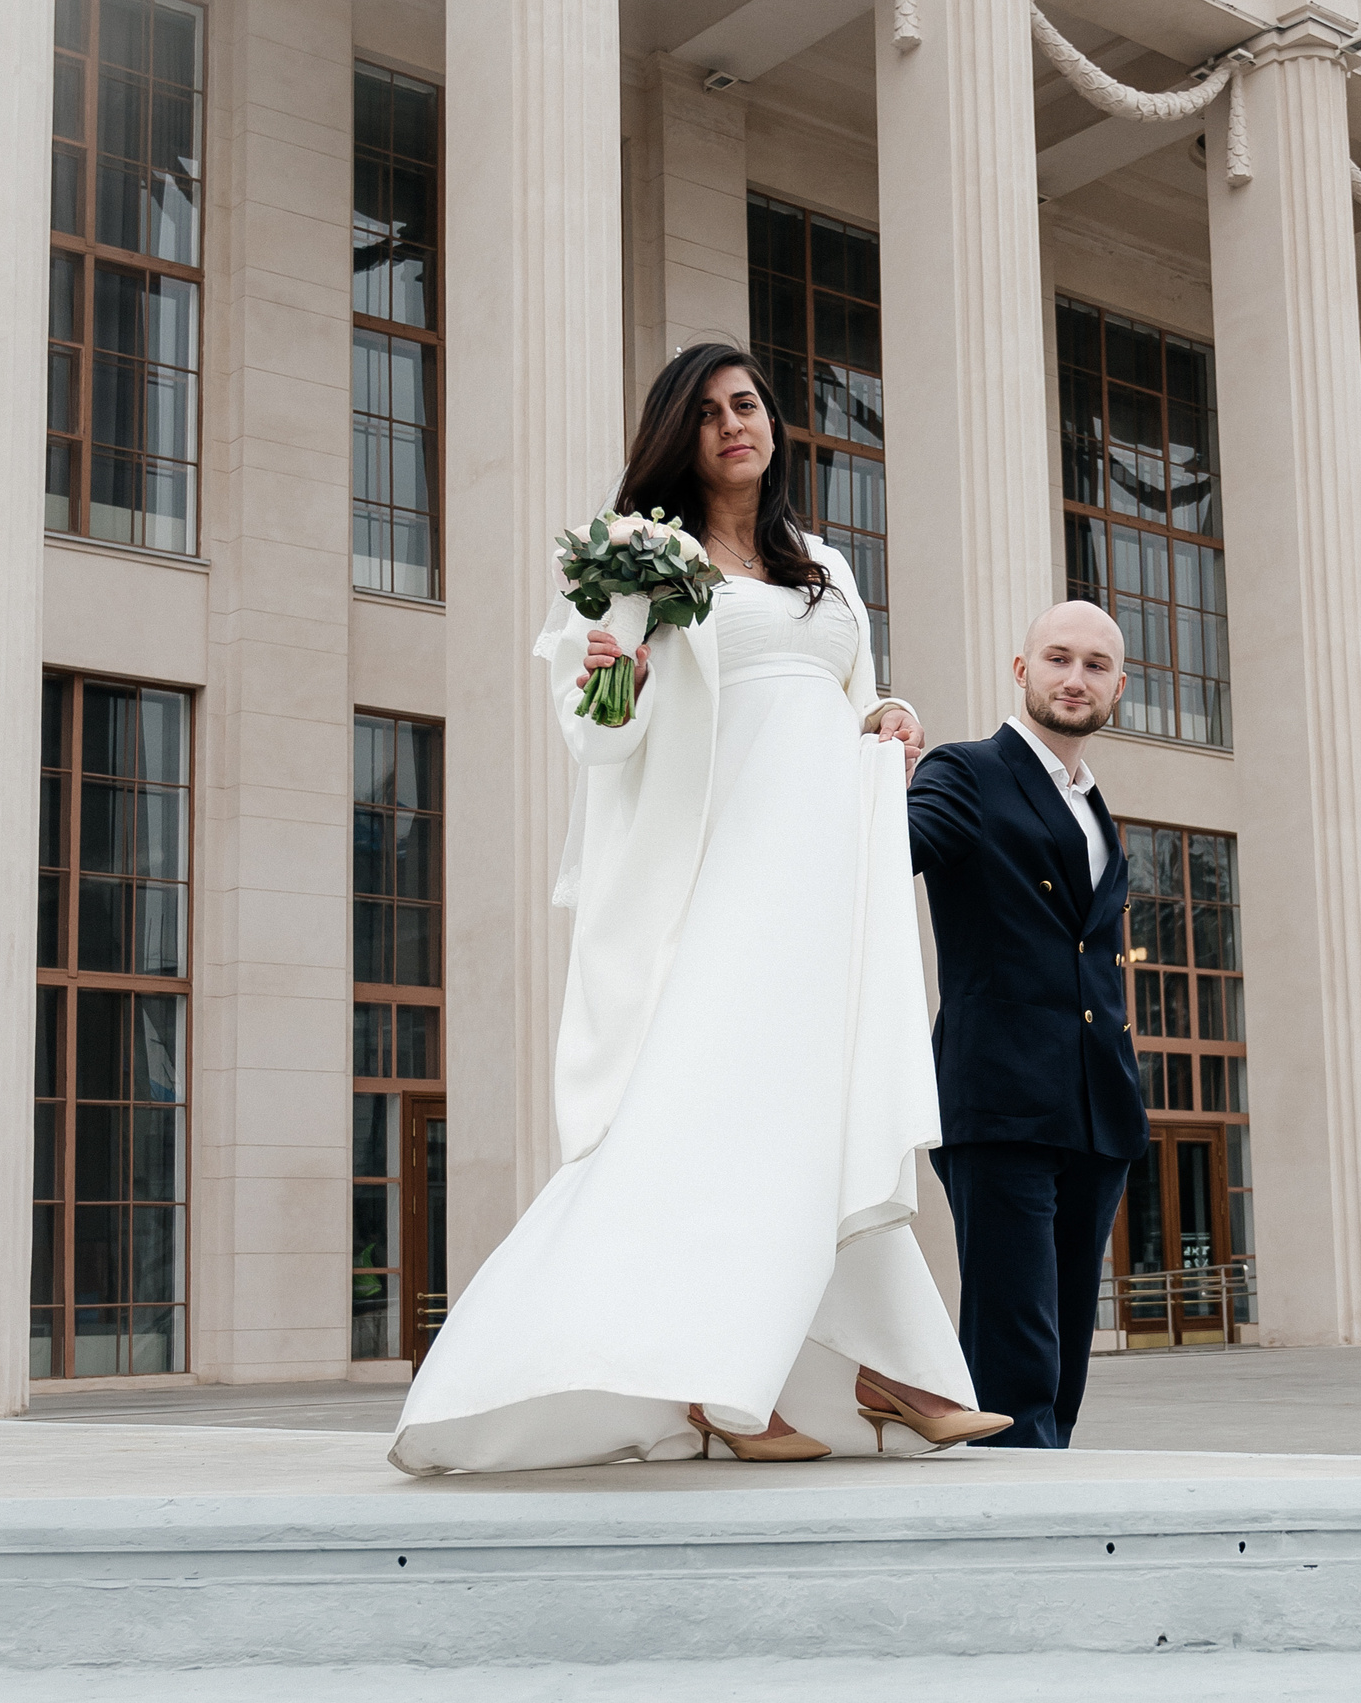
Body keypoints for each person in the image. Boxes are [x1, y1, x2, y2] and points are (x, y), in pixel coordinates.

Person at [389, 344, 1009, 1473]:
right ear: (680, 432)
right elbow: (603, 734)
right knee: (723, 1117)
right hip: (720, 877)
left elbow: (855, 695)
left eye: (751, 403)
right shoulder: (642, 563)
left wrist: (898, 710)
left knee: (815, 1112)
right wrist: (610, 657)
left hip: (817, 877)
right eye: (713, 409)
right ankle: (734, 1376)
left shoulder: (821, 561)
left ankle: (874, 1366)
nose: (737, 422)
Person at [905, 602, 1148, 1448]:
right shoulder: (967, 773)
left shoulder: (1095, 807)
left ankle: (1053, 1495)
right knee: (1016, 1344)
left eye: (1093, 665)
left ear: (1118, 686)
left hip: (1094, 1108)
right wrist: (865, 765)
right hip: (1001, 1097)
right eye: (1057, 658)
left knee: (1067, 1350)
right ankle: (1010, 1518)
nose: (1074, 678)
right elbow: (894, 843)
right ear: (1022, 670)